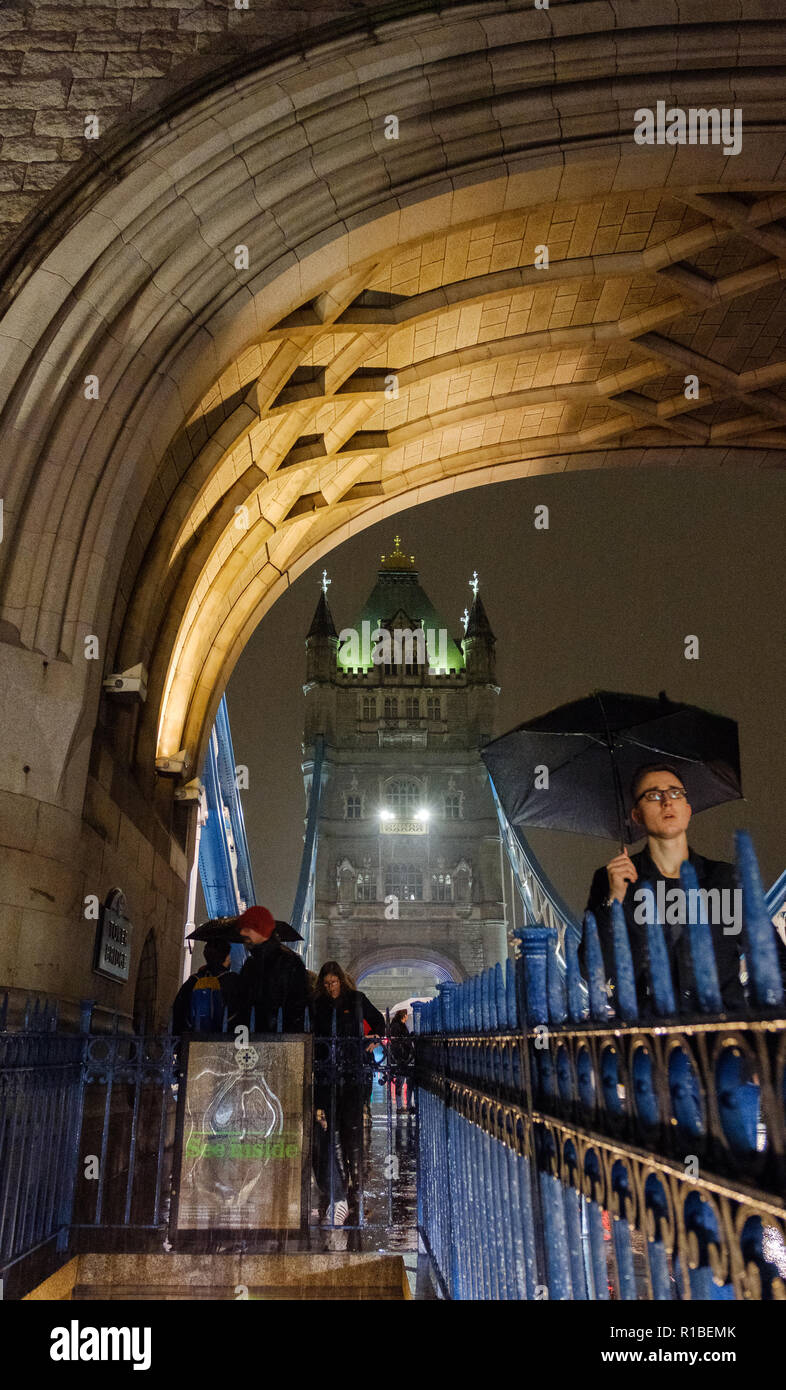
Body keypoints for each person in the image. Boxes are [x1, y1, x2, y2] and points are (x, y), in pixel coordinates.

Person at [582, 763, 745, 1014]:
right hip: (647, 1039)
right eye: (653, 795)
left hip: (723, 1036)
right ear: (636, 815)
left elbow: (773, 958)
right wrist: (614, 900)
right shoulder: (611, 880)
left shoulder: (724, 879)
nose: (667, 802)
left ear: (688, 810)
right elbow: (592, 969)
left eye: (676, 793)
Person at [311, 962, 385, 1222]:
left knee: (351, 1132)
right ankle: (338, 1188)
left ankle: (355, 1186)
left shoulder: (356, 999)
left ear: (342, 980)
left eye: (334, 982)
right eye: (327, 983)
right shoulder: (317, 1003)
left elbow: (378, 1020)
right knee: (324, 1132)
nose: (331, 987)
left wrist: (375, 1038)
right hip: (325, 1075)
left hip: (353, 1073)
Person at [230, 905, 310, 1032]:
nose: (242, 933)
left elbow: (299, 1005)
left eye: (248, 929)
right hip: (254, 1036)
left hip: (279, 1037)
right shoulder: (250, 964)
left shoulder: (290, 962)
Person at [172, 938, 235, 1033]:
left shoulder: (193, 981)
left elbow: (178, 1011)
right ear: (226, 957)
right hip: (224, 1039)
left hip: (193, 1038)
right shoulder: (233, 981)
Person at [388, 1008, 415, 1111]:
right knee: (401, 1081)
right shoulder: (397, 1026)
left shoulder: (399, 1025)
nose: (407, 1017)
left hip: (404, 1057)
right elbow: (398, 1041)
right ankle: (402, 1106)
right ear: (403, 1016)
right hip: (401, 1057)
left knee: (405, 1081)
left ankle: (406, 1105)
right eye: (406, 1015)